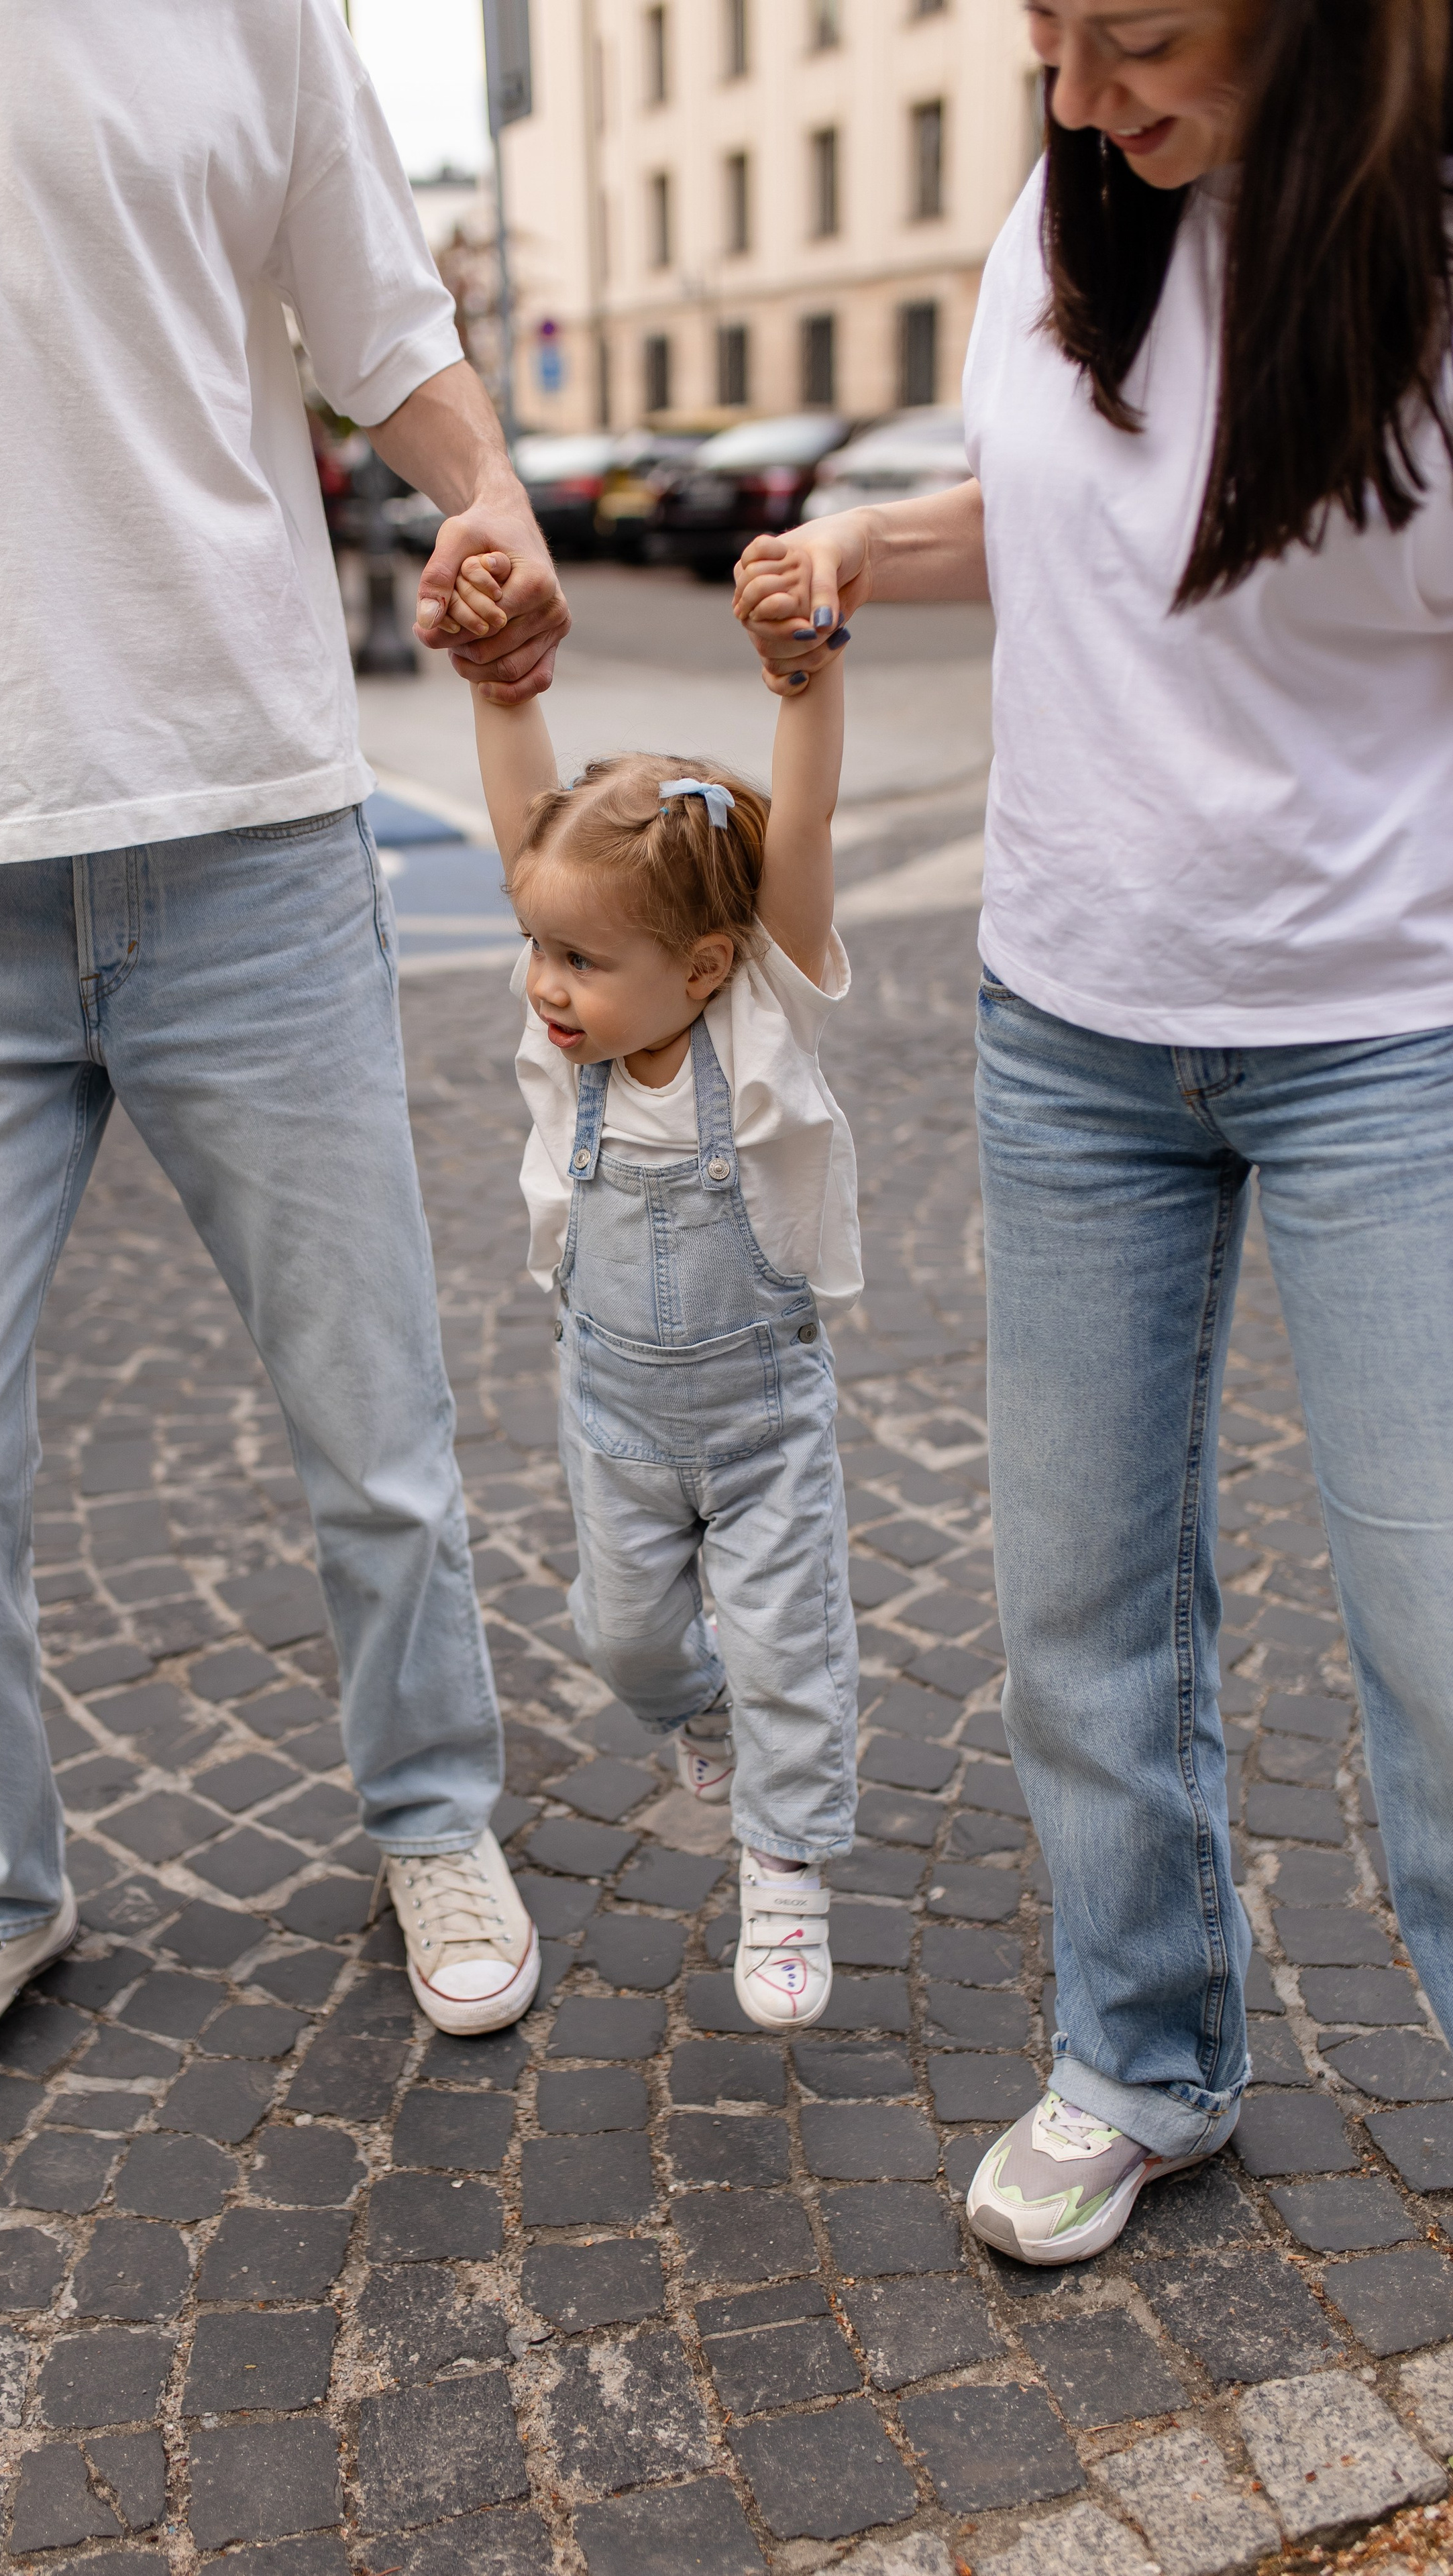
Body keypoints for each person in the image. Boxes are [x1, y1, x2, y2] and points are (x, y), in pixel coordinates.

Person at [0, 3, 570, 2141]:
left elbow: (387, 328)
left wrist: (489, 495)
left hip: (248, 841)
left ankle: (431, 1815)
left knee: (372, 1419)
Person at [736, 0, 1453, 2255]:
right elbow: (1092, 513)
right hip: (1069, 1032)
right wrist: (870, 541)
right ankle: (1146, 2057)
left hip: (1387, 1034)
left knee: (1440, 1628)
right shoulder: (1075, 196)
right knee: (1079, 1607)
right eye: (1046, 34)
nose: (1072, 100)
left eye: (1131, 38)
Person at [445, 547, 861, 2031]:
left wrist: (801, 687)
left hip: (757, 1431)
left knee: (787, 1649)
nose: (544, 987)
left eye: (579, 962)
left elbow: (797, 826)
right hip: (613, 1423)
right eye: (537, 953)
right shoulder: (575, 1060)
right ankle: (699, 1724)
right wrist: (503, 687)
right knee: (622, 1639)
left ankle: (786, 1867)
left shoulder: (759, 1021)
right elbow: (525, 829)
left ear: (701, 967)